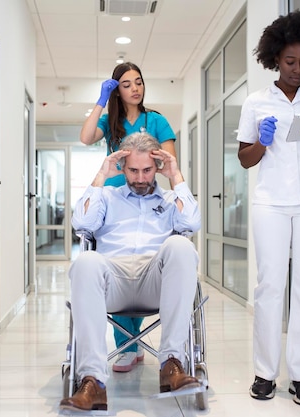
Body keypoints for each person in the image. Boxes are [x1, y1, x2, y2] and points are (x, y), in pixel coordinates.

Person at [236, 11, 300, 407]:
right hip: (271, 203)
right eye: (290, 61)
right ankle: (265, 372)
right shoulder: (256, 101)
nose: (298, 69)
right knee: (269, 285)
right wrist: (262, 142)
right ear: (275, 59)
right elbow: (246, 159)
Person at [59, 132, 201, 412]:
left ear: (157, 167)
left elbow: (192, 223)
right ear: (123, 168)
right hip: (113, 278)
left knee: (181, 245)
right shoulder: (108, 197)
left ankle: (172, 364)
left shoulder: (173, 198)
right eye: (133, 170)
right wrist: (101, 177)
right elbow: (82, 222)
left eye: (147, 170)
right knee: (86, 260)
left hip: (155, 280)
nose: (139, 178)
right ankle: (93, 382)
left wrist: (176, 176)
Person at [80, 62, 178, 373]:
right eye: (126, 84)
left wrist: (179, 193)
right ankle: (128, 345)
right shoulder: (110, 122)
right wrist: (100, 101)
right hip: (114, 199)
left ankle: (132, 342)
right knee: (114, 256)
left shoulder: (156, 120)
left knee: (143, 254)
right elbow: (85, 137)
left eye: (138, 82)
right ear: (116, 89)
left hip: (145, 195)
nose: (135, 88)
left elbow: (169, 161)